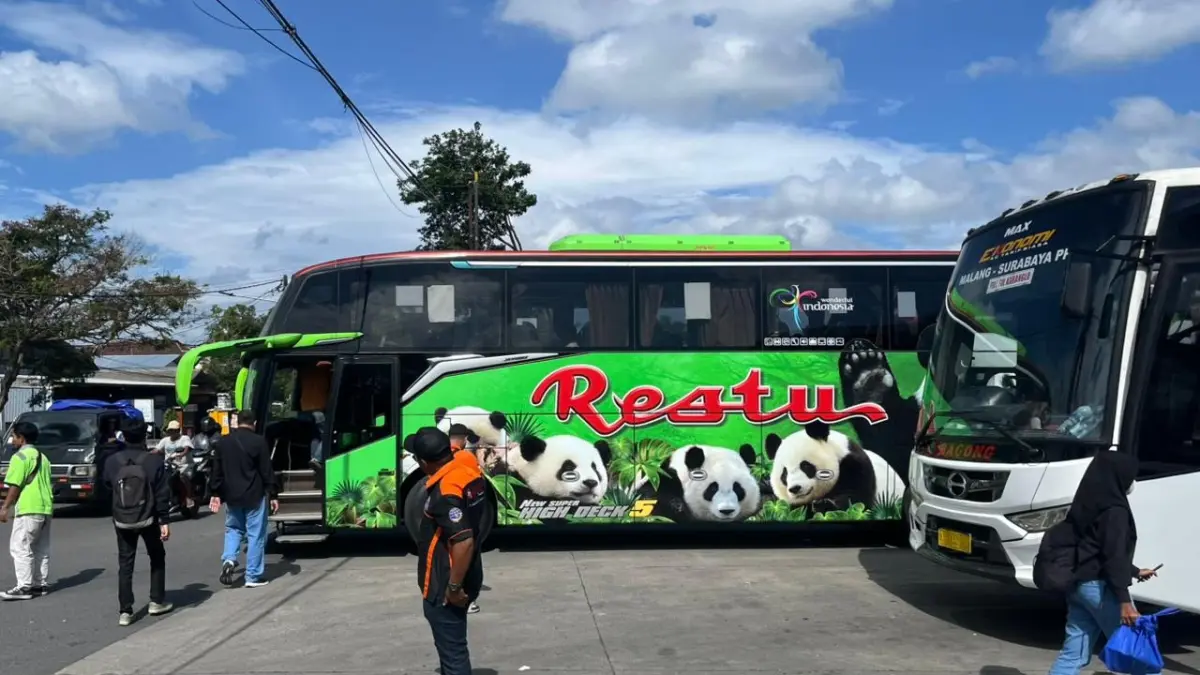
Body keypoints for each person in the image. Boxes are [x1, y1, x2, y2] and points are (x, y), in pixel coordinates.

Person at [1048, 451, 1161, 675]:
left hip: (1079, 586)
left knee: (1073, 655)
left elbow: (1095, 549)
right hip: (1101, 589)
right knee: (1142, 657)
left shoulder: (1087, 504)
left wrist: (1135, 571)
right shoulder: (1115, 511)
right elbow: (1114, 555)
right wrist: (1124, 601)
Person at [410, 427, 488, 675]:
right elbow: (459, 447)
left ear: (424, 463)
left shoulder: (446, 492)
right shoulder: (466, 463)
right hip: (472, 571)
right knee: (450, 646)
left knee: (454, 654)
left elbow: (463, 540)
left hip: (445, 581)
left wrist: (452, 589)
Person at [103, 421, 173, 625]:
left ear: (123, 436)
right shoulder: (154, 461)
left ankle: (125, 611)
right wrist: (164, 520)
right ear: (145, 436)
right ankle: (156, 601)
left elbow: (108, 485)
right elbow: (162, 493)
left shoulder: (112, 461)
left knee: (125, 562)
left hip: (122, 517)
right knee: (157, 556)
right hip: (149, 517)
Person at [209, 409, 277, 588]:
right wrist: (273, 492)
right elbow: (266, 469)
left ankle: (229, 559)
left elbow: (216, 471)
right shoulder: (258, 441)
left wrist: (216, 493)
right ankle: (252, 576)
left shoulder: (223, 443)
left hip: (232, 495)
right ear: (253, 423)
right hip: (254, 495)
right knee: (255, 535)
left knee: (233, 529)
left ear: (237, 422)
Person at [0, 421, 53, 601]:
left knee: (20, 547)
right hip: (46, 508)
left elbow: (15, 485)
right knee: (41, 547)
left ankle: (24, 587)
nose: (12, 440)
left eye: (14, 436)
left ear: (21, 439)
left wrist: (5, 507)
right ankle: (40, 584)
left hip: (29, 507)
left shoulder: (20, 458)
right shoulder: (43, 457)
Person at [446, 423, 483, 614]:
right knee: (468, 554)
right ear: (465, 439)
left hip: (449, 517)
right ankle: (466, 599)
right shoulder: (466, 457)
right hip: (467, 515)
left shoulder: (441, 457)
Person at [155, 420, 196, 509]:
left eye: (174, 430)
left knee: (182, 476)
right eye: (170, 430)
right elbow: (157, 450)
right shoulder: (165, 440)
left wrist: (181, 455)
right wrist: (147, 454)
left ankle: (188, 497)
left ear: (178, 430)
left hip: (184, 465)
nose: (172, 432)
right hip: (169, 466)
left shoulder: (184, 438)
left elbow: (187, 448)